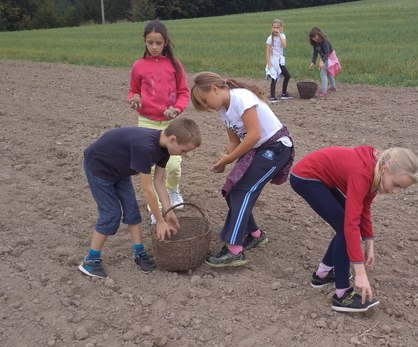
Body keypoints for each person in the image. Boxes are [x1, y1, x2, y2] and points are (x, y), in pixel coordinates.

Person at [290, 146, 418, 312]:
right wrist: (360, 273)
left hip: (321, 179)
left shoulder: (376, 172)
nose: (396, 191)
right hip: (306, 178)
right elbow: (350, 224)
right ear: (385, 169)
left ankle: (322, 275)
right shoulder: (362, 173)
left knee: (345, 224)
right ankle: (342, 294)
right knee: (344, 227)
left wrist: (369, 241)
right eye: (396, 184)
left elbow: (363, 208)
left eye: (402, 188)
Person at [191, 71, 294, 267]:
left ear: (214, 88)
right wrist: (224, 161)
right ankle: (255, 234)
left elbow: (254, 135)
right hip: (259, 150)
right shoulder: (224, 110)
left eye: (205, 101)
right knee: (232, 191)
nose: (207, 107)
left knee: (243, 191)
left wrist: (231, 158)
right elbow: (234, 141)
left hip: (276, 147)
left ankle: (234, 249)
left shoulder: (241, 98)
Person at [79, 118, 202, 279]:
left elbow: (158, 181)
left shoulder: (165, 149)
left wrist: (169, 211)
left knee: (132, 211)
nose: (184, 154)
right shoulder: (145, 147)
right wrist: (159, 221)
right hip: (99, 169)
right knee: (111, 214)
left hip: (120, 171)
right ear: (173, 139)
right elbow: (148, 189)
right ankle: (90, 261)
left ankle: (139, 252)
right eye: (184, 150)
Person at [128, 20, 190, 219]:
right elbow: (133, 91)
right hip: (146, 122)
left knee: (172, 166)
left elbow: (183, 93)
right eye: (150, 42)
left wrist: (177, 109)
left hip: (170, 124)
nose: (154, 47)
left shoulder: (175, 65)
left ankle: (173, 190)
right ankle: (155, 209)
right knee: (151, 168)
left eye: (158, 43)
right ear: (144, 42)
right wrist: (134, 99)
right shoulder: (138, 66)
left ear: (165, 43)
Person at [265, 19, 292, 104]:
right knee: (274, 77)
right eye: (274, 27)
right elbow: (267, 51)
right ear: (271, 28)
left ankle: (284, 93)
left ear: (280, 28)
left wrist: (279, 35)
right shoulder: (270, 38)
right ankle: (272, 97)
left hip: (280, 60)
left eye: (277, 27)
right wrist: (269, 63)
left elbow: (284, 45)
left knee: (287, 76)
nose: (275, 29)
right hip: (273, 60)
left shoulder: (282, 36)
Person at [309, 26, 339, 97]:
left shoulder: (325, 41)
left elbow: (327, 53)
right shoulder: (315, 44)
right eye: (312, 38)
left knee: (323, 73)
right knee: (328, 72)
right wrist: (313, 62)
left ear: (319, 34)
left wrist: (322, 61)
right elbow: (315, 54)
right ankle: (332, 87)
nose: (314, 39)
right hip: (325, 58)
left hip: (330, 58)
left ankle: (323, 91)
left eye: (315, 37)